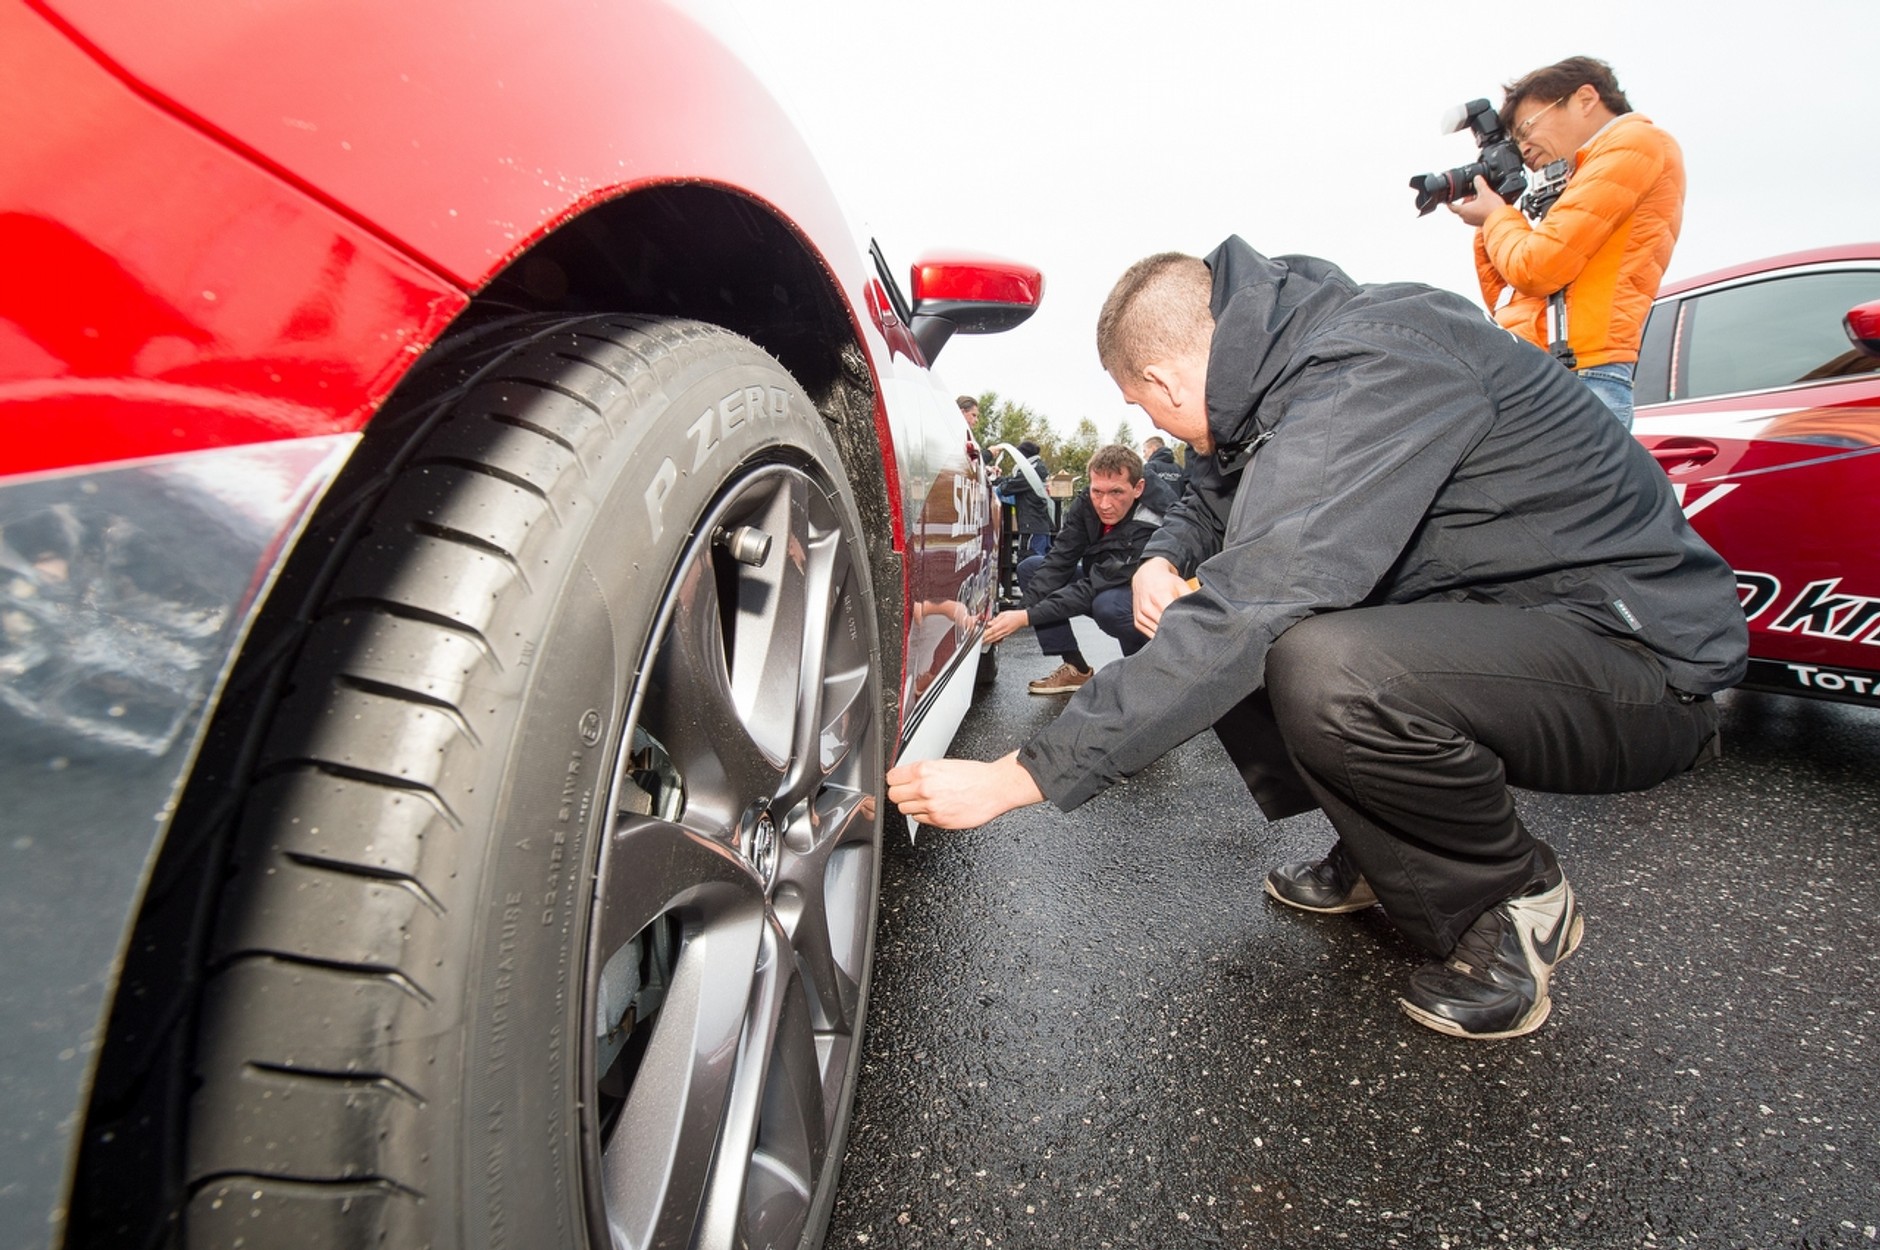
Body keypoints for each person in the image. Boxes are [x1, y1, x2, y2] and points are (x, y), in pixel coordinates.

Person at [889, 239, 1747, 1040]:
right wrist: (1161, 557)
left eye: (1141, 403)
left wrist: (1020, 775)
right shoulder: (1287, 371)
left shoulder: (1372, 369)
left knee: (1310, 656)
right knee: (1253, 631)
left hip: (1643, 666)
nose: (1156, 422)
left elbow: (1253, 604)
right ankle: (1386, 850)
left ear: (1163, 380)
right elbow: (1214, 496)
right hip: (1522, 635)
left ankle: (1515, 900)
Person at [1449, 56, 1684, 431]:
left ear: (1585, 99)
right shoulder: (1575, 175)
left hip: (1581, 377)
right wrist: (1498, 210)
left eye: (1526, 128)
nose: (1523, 151)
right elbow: (1510, 298)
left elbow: (1537, 268)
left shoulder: (1635, 143)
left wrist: (1496, 217)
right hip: (1546, 374)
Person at [983, 443, 1176, 695]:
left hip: (1136, 593)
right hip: (1103, 579)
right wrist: (1020, 611)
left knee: (1109, 607)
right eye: (1098, 491)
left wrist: (1025, 618)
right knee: (1032, 567)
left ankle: (1149, 672)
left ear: (1138, 488)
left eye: (1116, 492)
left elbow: (1094, 585)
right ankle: (1076, 669)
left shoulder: (1153, 520)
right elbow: (1059, 559)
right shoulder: (1087, 503)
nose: (1104, 503)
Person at [994, 438, 1055, 559]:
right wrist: (998, 479)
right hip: (1039, 525)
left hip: (1031, 526)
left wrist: (995, 484)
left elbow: (1008, 488)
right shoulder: (1037, 468)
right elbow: (1015, 481)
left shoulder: (1031, 472)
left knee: (1028, 560)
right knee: (1040, 562)